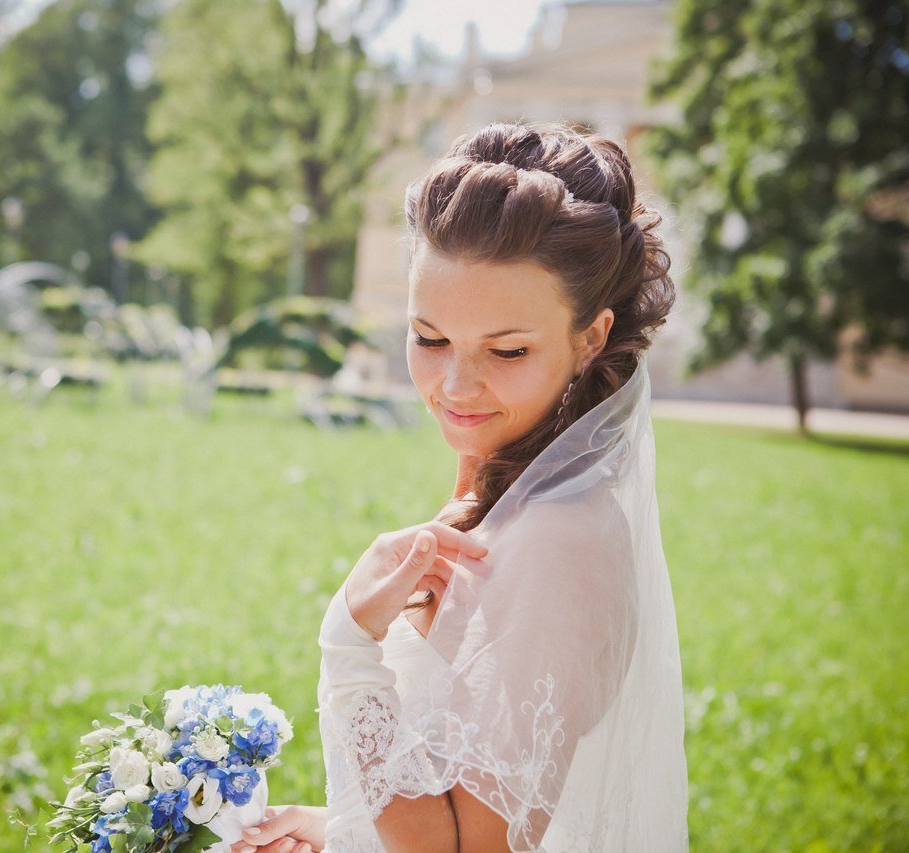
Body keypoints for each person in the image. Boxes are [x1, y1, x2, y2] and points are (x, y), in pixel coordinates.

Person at [235, 122, 687, 852]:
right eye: (429, 337)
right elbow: (453, 804)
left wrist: (348, 644)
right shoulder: (502, 490)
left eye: (507, 350)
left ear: (591, 337)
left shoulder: (563, 538)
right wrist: (338, 831)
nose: (455, 385)